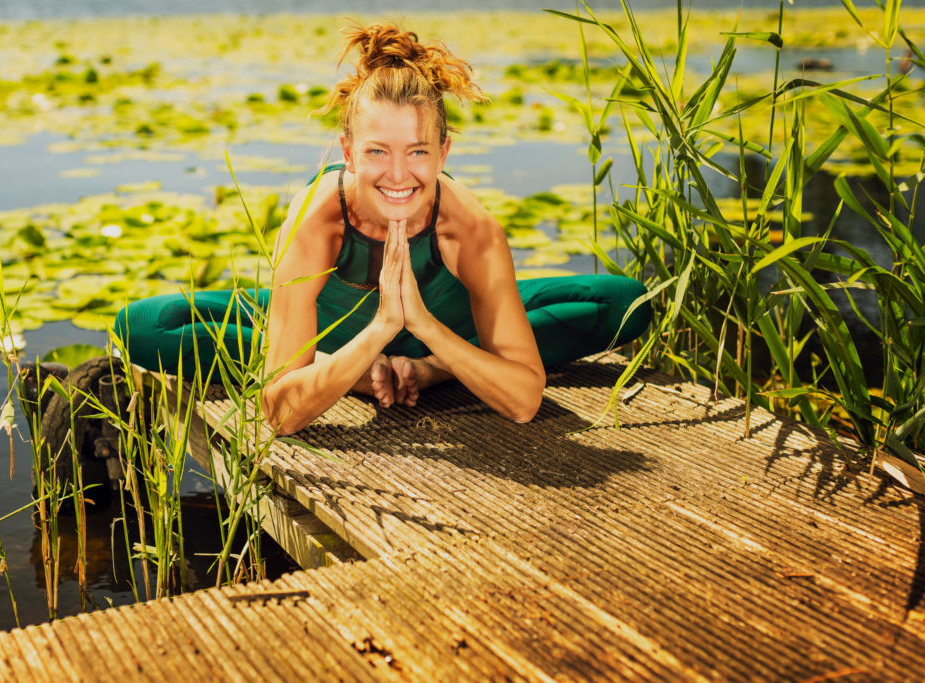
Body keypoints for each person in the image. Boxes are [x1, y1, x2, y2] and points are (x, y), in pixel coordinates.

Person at [114, 23, 651, 435]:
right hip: (332, 337)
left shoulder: (469, 228)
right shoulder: (316, 220)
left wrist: (426, 334)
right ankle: (343, 365)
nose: (398, 175)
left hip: (444, 329)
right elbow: (278, 413)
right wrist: (372, 339)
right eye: (377, 152)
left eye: (418, 151)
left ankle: (435, 369)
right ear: (348, 152)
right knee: (146, 325)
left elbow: (525, 399)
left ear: (444, 152)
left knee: (622, 302)